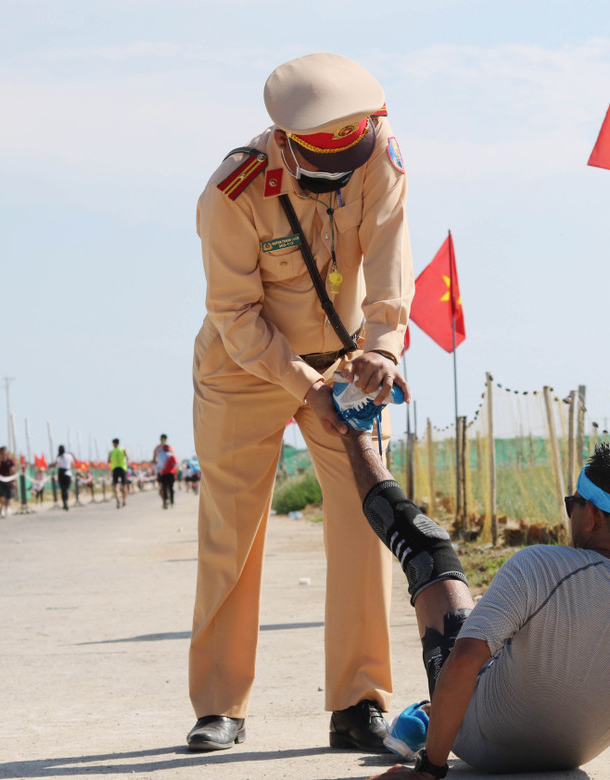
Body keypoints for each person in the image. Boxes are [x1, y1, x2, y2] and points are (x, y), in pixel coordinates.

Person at [185, 52, 413, 754]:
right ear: (287, 144)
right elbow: (235, 312)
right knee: (232, 530)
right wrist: (303, 389)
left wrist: (382, 350)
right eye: (326, 173)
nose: (342, 180)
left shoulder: (381, 161)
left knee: (363, 518)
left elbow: (388, 265)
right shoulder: (232, 192)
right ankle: (220, 704)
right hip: (242, 367)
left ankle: (359, 701)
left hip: (342, 361)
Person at [334, 431, 610, 780]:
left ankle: (354, 435)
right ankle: (424, 715)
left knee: (429, 552)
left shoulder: (540, 565)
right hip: (572, 753)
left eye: (572, 505)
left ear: (590, 516)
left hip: (479, 739)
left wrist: (431, 770)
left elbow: (463, 664)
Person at [153, 435, 177, 509]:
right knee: (169, 488)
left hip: (162, 472)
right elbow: (174, 462)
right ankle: (168, 500)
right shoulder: (169, 447)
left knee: (163, 488)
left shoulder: (157, 448)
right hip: (169, 473)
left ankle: (165, 500)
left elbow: (154, 460)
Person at [0, 446, 16, 516]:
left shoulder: (10, 460)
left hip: (8, 480)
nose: (4, 453)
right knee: (1, 495)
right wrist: (0, 461)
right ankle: (2, 506)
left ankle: (6, 509)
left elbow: (12, 470)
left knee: (8, 496)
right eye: (2, 452)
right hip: (0, 480)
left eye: (5, 451)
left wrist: (13, 480)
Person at [109, 438, 129, 508]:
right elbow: (128, 458)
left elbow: (108, 461)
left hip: (115, 468)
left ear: (114, 443)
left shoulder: (111, 452)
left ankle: (117, 497)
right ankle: (124, 501)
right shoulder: (123, 450)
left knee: (116, 485)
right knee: (124, 485)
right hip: (123, 468)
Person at [55, 445, 74, 511]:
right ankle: (66, 502)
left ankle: (64, 502)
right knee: (66, 489)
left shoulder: (59, 456)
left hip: (61, 473)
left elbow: (56, 464)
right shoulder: (69, 456)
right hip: (68, 473)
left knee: (63, 489)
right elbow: (72, 464)